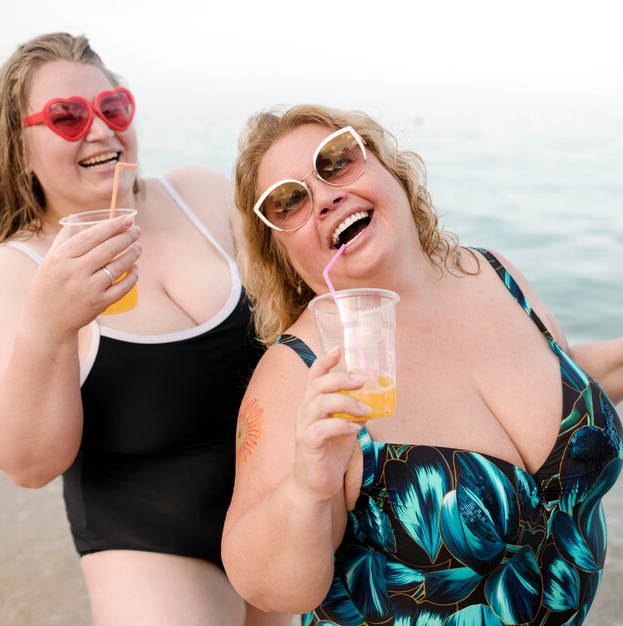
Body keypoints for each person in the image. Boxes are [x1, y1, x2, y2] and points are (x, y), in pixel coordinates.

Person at [221, 104, 623, 625]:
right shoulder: (300, 372)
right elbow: (266, 586)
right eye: (288, 202)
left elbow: (558, 378)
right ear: (281, 251)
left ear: (389, 167)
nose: (324, 197)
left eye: (337, 161)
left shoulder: (493, 274)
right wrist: (308, 483)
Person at [0, 33, 295, 626]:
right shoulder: (15, 268)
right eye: (67, 117)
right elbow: (29, 466)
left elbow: (302, 306)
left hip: (279, 507)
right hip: (146, 539)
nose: (101, 130)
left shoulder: (202, 196)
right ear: (20, 148)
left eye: (113, 108)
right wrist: (50, 326)